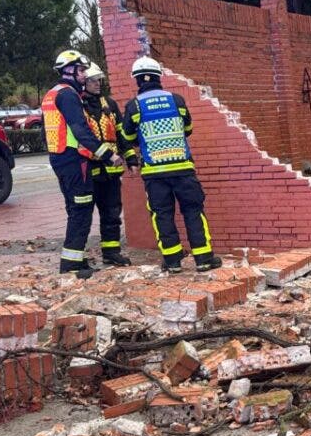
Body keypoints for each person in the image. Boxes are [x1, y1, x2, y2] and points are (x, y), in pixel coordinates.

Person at [119, 56, 221, 273]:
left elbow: (127, 135)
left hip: (154, 174)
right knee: (193, 211)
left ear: (137, 80)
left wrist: (142, 139)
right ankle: (203, 259)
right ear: (159, 76)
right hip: (183, 169)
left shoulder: (134, 106)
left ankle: (173, 262)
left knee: (162, 215)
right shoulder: (177, 100)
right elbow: (188, 128)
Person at [41, 50, 123, 278]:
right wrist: (108, 155)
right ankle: (71, 266)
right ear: (69, 70)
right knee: (81, 211)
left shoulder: (52, 94)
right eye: (81, 70)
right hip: (75, 161)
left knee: (75, 209)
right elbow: (80, 130)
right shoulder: (68, 95)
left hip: (60, 159)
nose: (84, 74)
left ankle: (76, 259)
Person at [82, 62, 135, 267]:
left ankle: (111, 253)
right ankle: (79, 256)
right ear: (84, 82)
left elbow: (121, 135)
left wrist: (130, 158)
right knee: (83, 215)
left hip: (111, 171)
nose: (97, 84)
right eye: (93, 80)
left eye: (99, 80)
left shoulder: (110, 105)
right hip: (88, 170)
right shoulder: (78, 105)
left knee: (112, 213)